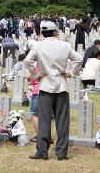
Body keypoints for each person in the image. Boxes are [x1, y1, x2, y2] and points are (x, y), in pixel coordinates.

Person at [25, 21, 82, 160]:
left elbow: (27, 61)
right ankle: (61, 153)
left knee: (44, 120)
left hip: (45, 86)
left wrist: (35, 75)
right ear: (55, 32)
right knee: (62, 121)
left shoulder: (38, 46)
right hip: (61, 86)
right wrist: (71, 73)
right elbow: (79, 59)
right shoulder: (65, 45)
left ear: (43, 33)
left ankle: (42, 151)